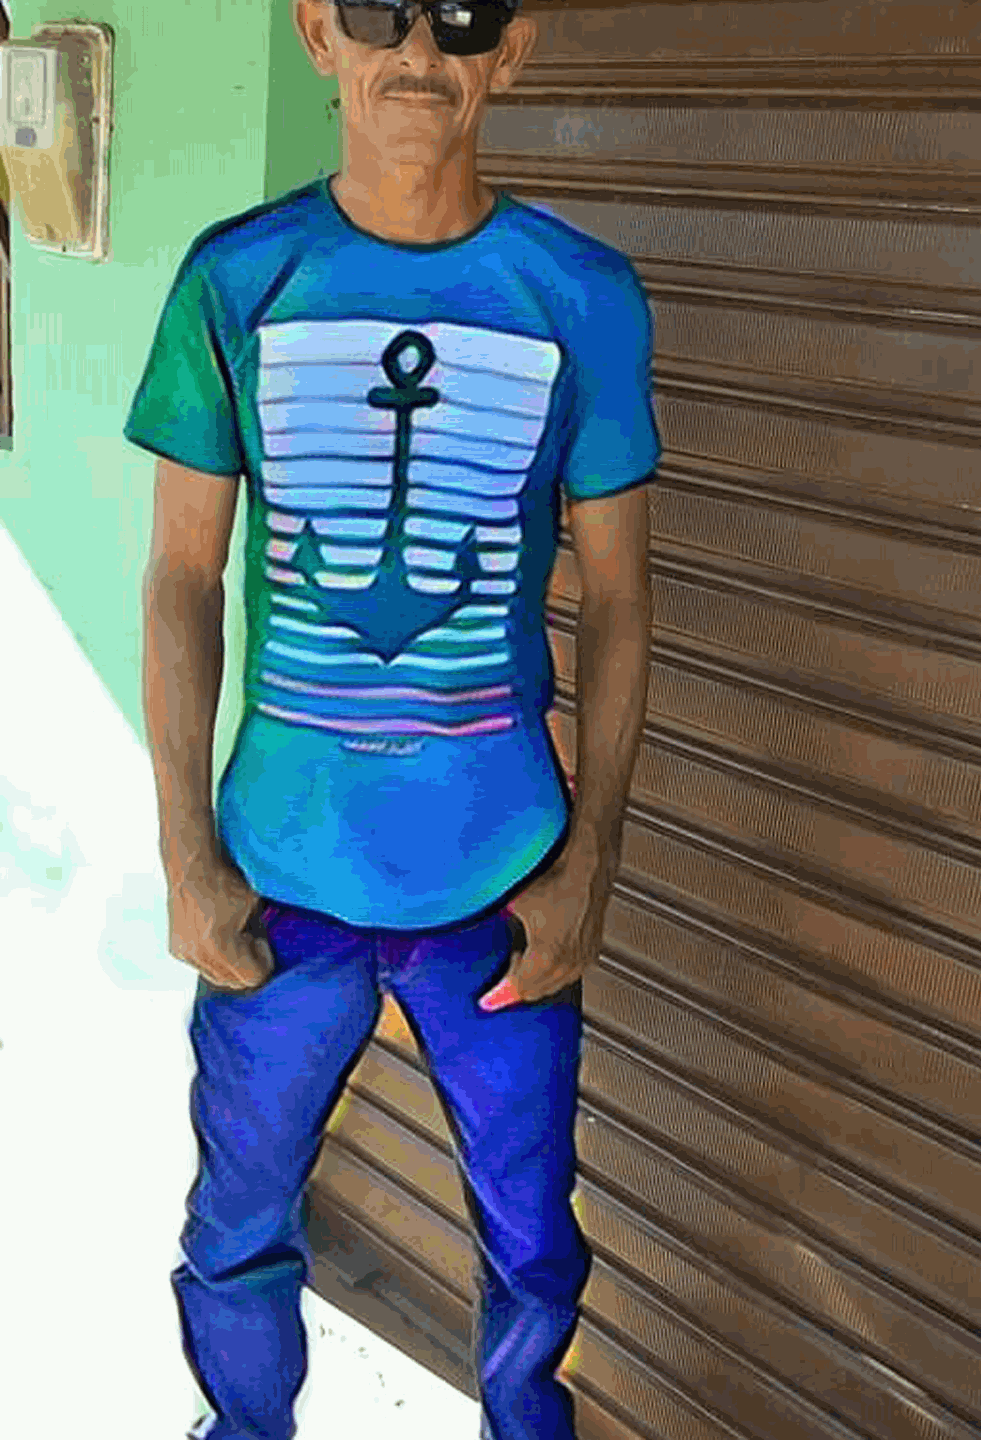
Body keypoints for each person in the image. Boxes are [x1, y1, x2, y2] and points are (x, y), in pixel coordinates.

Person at [125, 1, 660, 1437]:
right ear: (319, 33)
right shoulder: (237, 280)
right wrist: (184, 851)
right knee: (235, 1234)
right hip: (278, 885)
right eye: (378, 8)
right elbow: (181, 576)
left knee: (532, 1253)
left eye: (463, 14)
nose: (418, 47)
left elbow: (619, 600)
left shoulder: (582, 295)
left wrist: (592, 862)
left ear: (512, 49)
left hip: (502, 887)